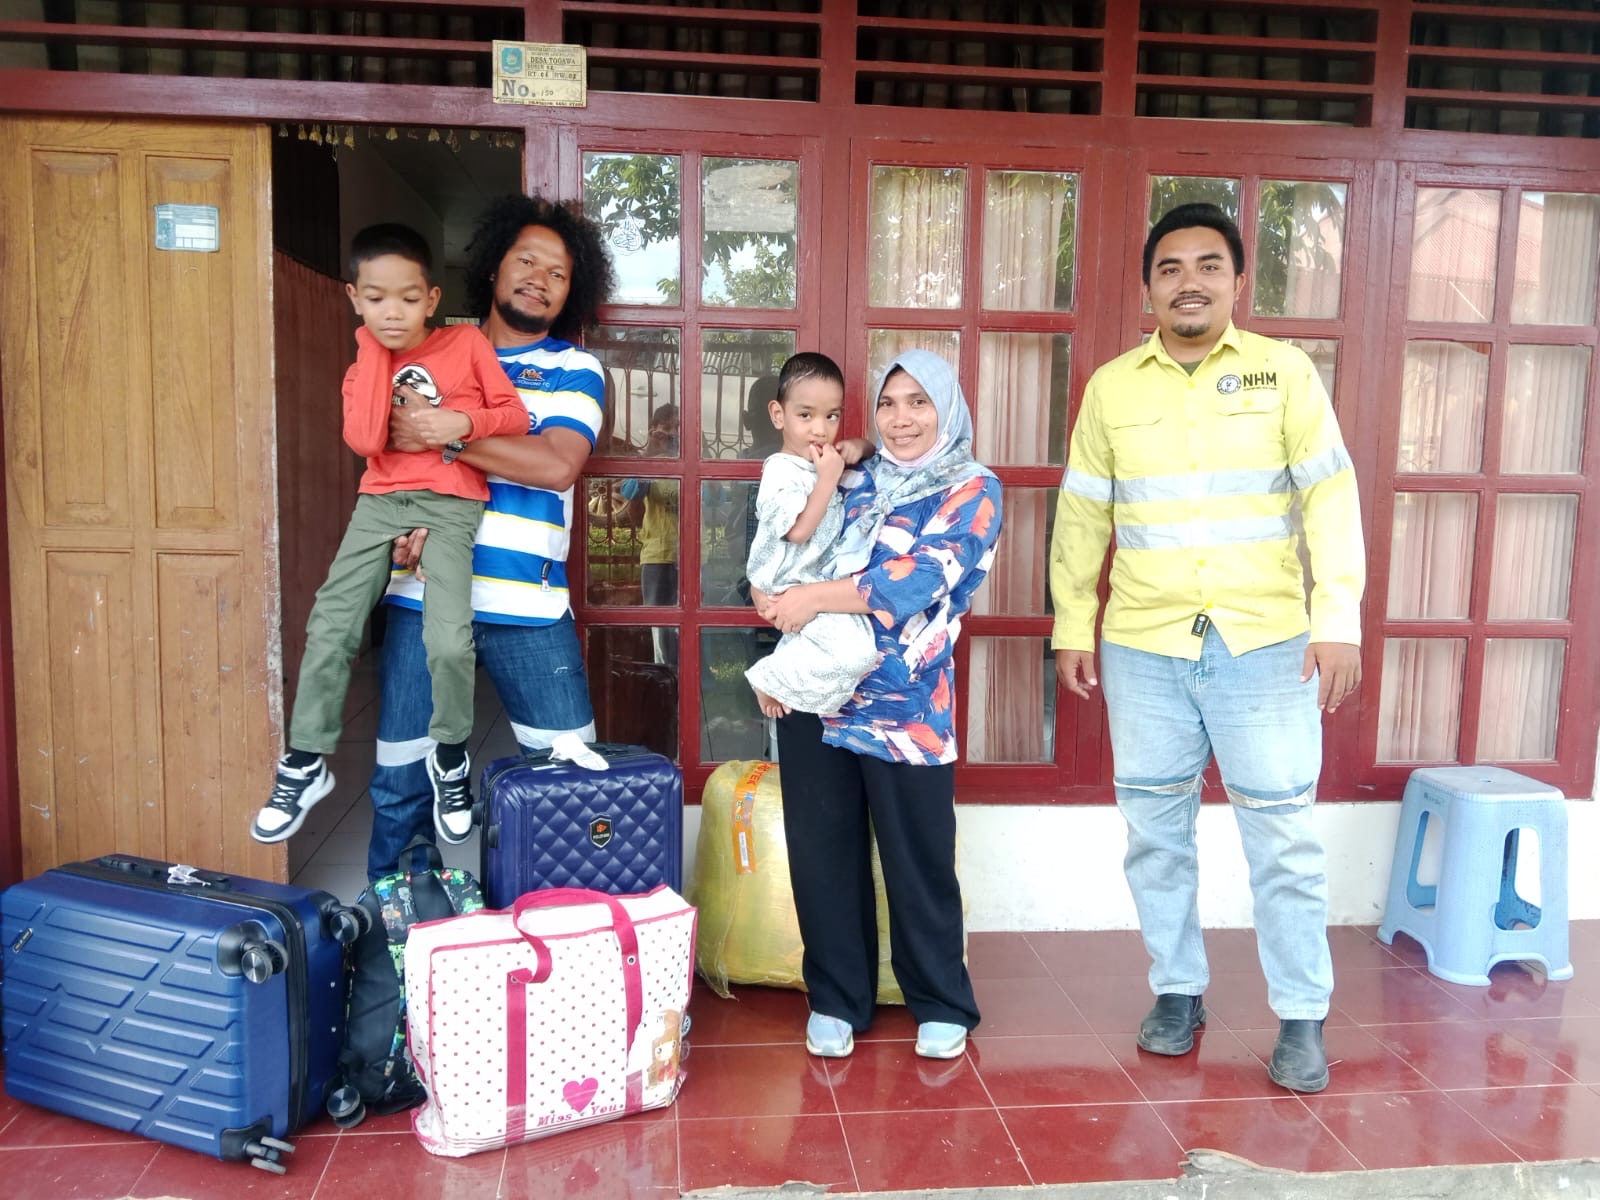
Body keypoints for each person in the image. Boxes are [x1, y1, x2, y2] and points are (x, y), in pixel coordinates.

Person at [1048, 203, 1365, 1094]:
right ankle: (1177, 990)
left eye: (1208, 265)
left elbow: (1330, 498)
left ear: (1237, 281)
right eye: (1171, 268)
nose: (1190, 282)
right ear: (1148, 288)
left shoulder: (1284, 372)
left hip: (1264, 643)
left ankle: (1301, 1013)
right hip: (1144, 644)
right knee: (1155, 834)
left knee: (1283, 838)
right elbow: (1083, 513)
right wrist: (1072, 622)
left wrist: (1339, 617)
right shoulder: (1113, 388)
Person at [755, 349, 1002, 1062]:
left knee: (917, 858)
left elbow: (919, 577)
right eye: (889, 403)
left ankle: (941, 1000)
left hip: (907, 707)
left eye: (919, 402)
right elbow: (793, 545)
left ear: (947, 409)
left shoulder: (973, 486)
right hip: (818, 695)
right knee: (822, 852)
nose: (902, 418)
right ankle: (837, 998)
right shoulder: (855, 477)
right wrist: (775, 622)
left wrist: (809, 600)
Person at [251, 223, 530, 845]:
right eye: (376, 299)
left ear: (432, 298)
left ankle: (450, 756)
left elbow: (514, 414)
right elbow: (365, 440)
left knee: (449, 641)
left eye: (407, 298)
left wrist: (459, 421)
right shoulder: (362, 367)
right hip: (380, 503)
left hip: (453, 504)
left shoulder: (465, 343)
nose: (393, 313)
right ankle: (306, 759)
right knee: (331, 623)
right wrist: (373, 347)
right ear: (355, 298)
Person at [365, 194, 616, 876]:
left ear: (572, 291)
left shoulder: (575, 369)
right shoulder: (424, 355)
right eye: (526, 260)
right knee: (401, 787)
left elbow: (556, 464)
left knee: (570, 784)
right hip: (423, 597)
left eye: (558, 273)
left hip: (529, 605)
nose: (540, 278)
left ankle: (559, 926)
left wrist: (448, 434)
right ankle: (404, 933)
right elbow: (388, 454)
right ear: (493, 266)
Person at [744, 352, 879, 718]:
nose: (820, 429)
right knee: (857, 653)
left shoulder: (818, 462)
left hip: (811, 582)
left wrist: (860, 446)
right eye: (805, 415)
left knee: (858, 651)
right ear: (778, 415)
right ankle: (768, 677)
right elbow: (799, 531)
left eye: (831, 415)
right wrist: (828, 479)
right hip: (788, 582)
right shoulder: (781, 471)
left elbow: (872, 452)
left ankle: (782, 673)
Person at [620, 404, 681, 665]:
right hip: (657, 553)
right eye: (666, 429)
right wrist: (650, 455)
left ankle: (691, 675)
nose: (673, 435)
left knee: (688, 627)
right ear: (653, 431)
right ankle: (664, 674)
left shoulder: (690, 456)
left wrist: (700, 449)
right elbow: (630, 492)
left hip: (692, 555)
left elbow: (716, 498)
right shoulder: (651, 460)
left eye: (679, 429)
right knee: (660, 622)